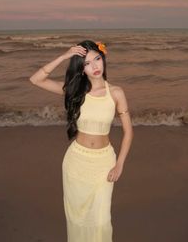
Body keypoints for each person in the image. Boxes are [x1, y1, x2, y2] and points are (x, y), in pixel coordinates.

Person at [29, 40, 134, 242]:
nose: (94, 66)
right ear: (81, 68)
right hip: (76, 163)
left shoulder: (116, 93)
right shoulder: (75, 91)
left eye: (97, 59)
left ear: (103, 59)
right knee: (77, 219)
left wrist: (120, 164)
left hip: (104, 163)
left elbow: (128, 132)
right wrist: (64, 56)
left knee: (101, 220)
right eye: (87, 63)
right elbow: (36, 79)